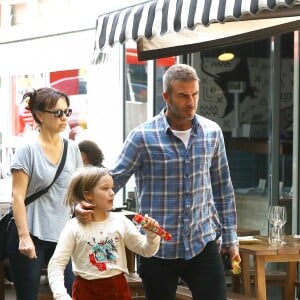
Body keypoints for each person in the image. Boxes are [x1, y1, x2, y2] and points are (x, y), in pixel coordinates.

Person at [76, 64, 240, 300]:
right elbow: (112, 180)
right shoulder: (143, 136)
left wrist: (231, 238)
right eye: (183, 96)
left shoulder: (212, 132)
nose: (191, 102)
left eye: (194, 94)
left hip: (202, 243)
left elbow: (222, 186)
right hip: (157, 248)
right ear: (166, 96)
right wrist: (82, 203)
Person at [7, 87, 83, 300]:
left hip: (63, 235)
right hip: (31, 233)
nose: (64, 117)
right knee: (28, 296)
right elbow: (17, 197)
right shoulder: (28, 150)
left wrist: (81, 210)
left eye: (67, 112)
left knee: (69, 293)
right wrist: (24, 237)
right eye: (58, 113)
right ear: (40, 115)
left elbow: (75, 195)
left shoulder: (73, 149)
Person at [48, 167, 161, 300]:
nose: (112, 193)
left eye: (112, 188)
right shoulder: (73, 227)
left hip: (119, 291)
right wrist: (61, 296)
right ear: (88, 194)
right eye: (105, 188)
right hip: (85, 292)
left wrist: (151, 235)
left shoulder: (121, 221)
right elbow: (56, 265)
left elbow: (146, 250)